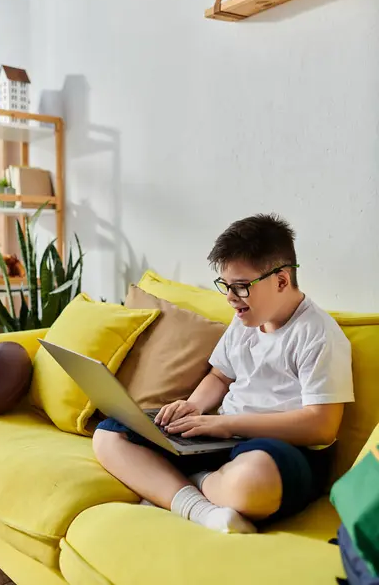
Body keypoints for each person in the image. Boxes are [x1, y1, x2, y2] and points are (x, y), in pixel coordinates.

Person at [93, 213, 354, 534]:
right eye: (226, 286)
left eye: (241, 287)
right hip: (223, 439)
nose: (230, 298)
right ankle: (202, 509)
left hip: (283, 449)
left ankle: (182, 485)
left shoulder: (318, 333)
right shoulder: (245, 319)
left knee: (251, 483)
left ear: (282, 280)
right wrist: (195, 406)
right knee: (109, 436)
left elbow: (322, 426)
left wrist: (223, 423)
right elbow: (219, 376)